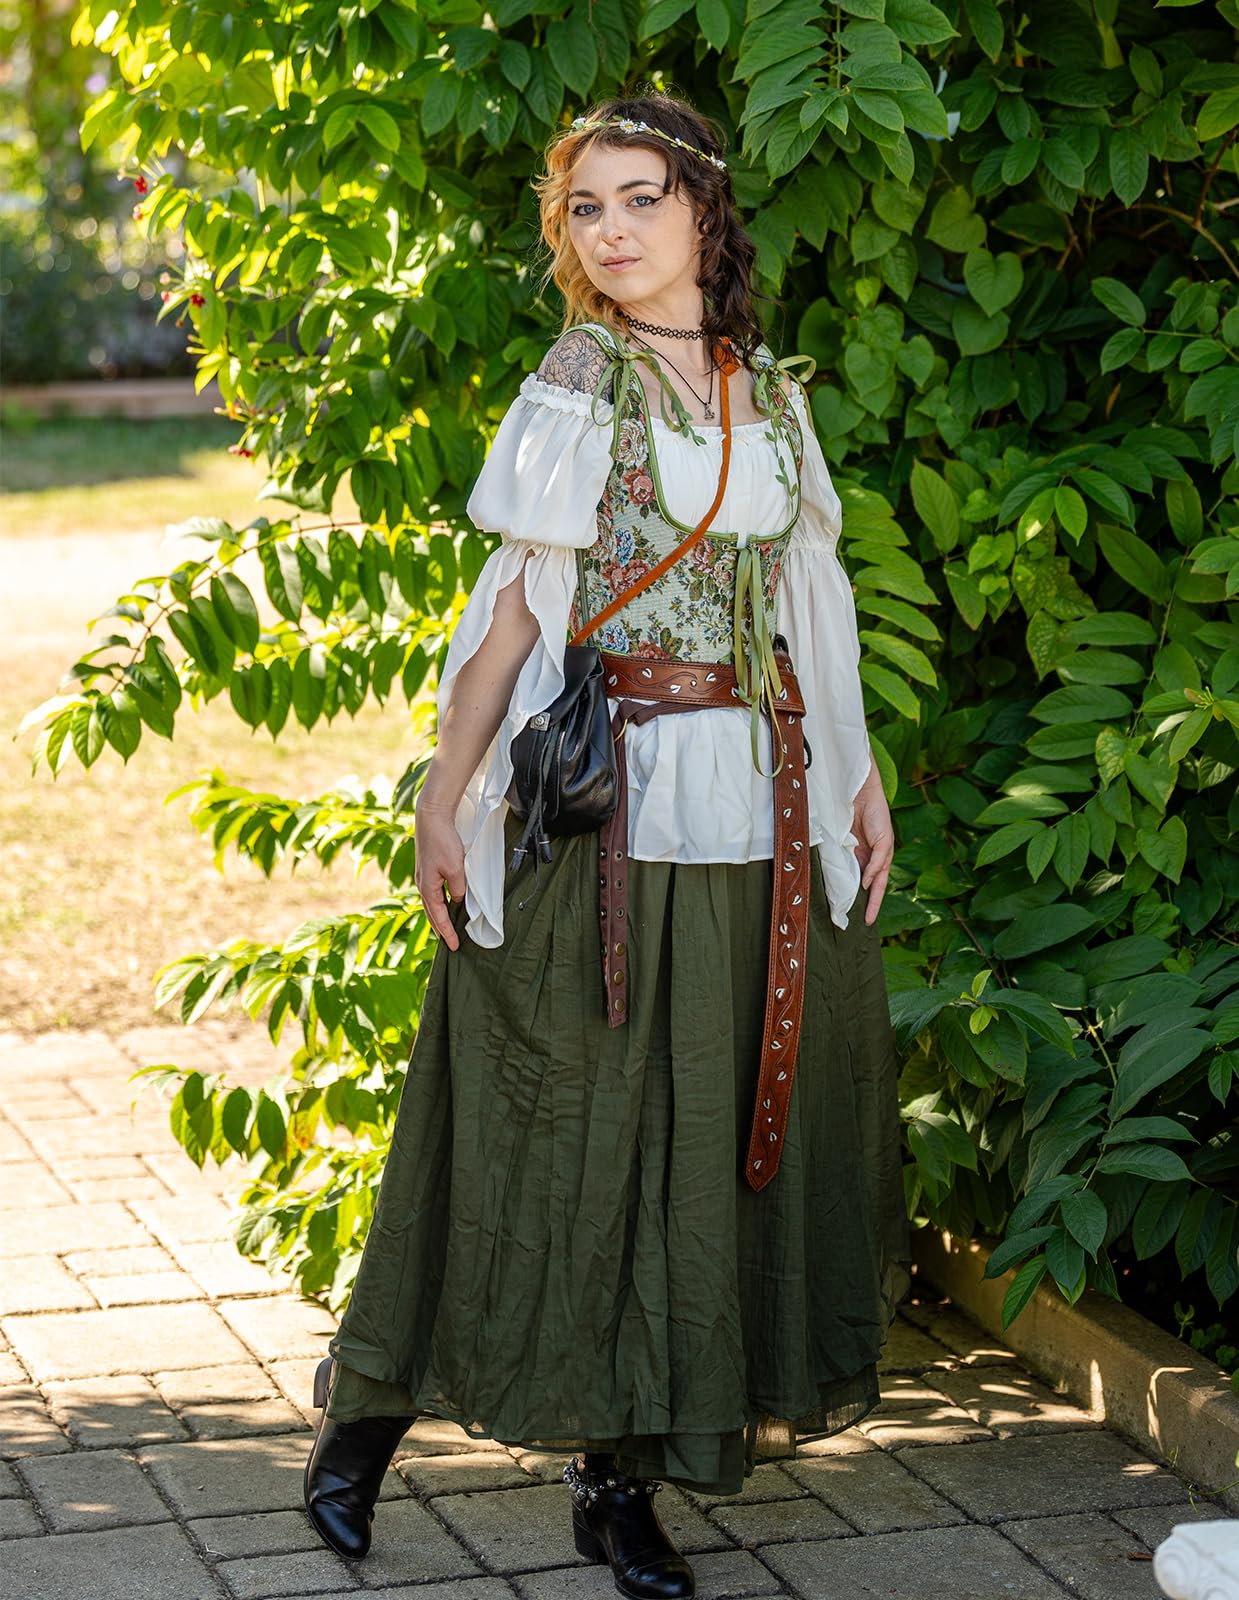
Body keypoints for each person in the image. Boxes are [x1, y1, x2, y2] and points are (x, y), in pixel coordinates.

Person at [303, 91, 911, 1600]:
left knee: (701, 1140)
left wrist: (858, 776)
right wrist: (445, 791)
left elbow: (811, 612)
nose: (613, 229)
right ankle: (365, 1419)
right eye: (587, 207)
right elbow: (519, 606)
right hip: (613, 808)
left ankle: (618, 1481)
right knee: (532, 1113)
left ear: (705, 209)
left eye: (643, 198)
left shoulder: (769, 391)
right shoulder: (581, 379)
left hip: (757, 806)